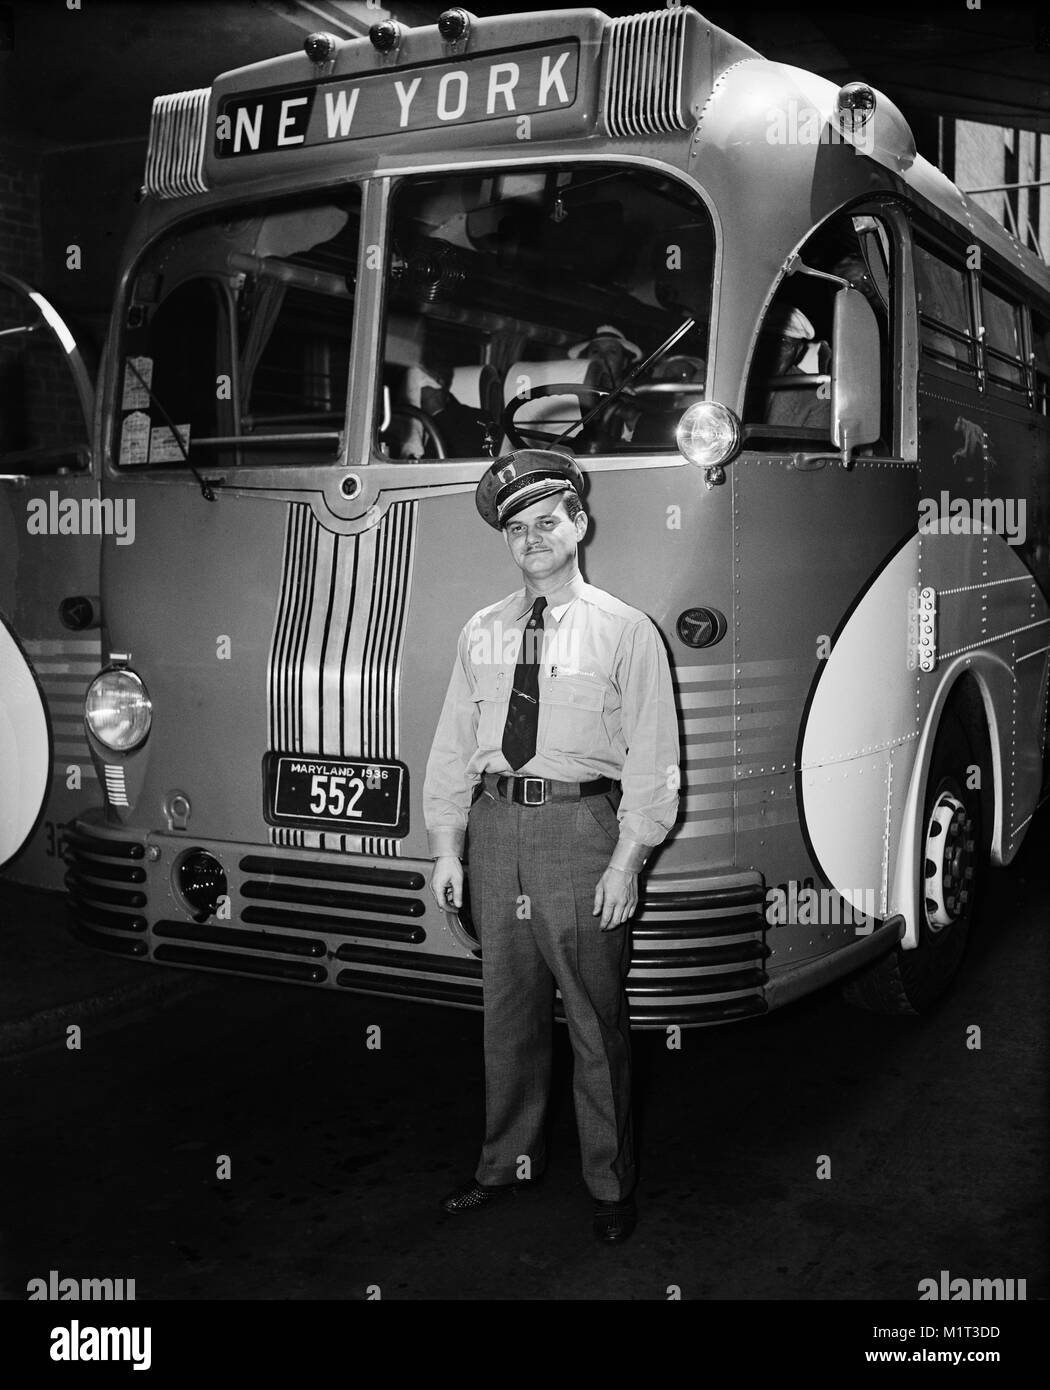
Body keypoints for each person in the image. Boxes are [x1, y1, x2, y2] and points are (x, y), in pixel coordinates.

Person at [423, 449, 680, 1244]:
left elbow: (653, 756)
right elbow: (452, 745)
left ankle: (609, 1185)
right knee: (509, 1015)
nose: (531, 538)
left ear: (580, 524)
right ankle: (504, 1166)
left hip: (580, 831)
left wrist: (627, 859)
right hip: (497, 827)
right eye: (516, 529)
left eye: (546, 522)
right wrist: (447, 845)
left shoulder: (626, 631)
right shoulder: (481, 631)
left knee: (596, 1018)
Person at [396, 361, 494, 459]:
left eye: (414, 386)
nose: (409, 391)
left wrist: (437, 415)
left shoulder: (474, 420)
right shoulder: (396, 422)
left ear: (439, 383)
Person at [567, 324, 642, 385]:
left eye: (611, 351)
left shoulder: (635, 399)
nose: (602, 357)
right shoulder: (572, 396)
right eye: (595, 351)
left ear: (624, 363)